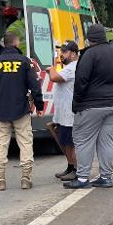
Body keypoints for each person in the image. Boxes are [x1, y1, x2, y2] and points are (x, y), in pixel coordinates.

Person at [63, 24, 113, 190]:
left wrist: (78, 103)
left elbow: (81, 82)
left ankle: (83, 178)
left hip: (91, 105)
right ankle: (106, 177)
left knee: (83, 140)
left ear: (89, 39)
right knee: (106, 141)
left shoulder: (89, 54)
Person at [0, 31, 44, 191]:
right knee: (25, 143)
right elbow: (34, 86)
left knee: (0, 145)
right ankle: (25, 179)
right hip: (21, 110)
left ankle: (0, 179)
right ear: (16, 44)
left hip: (0, 111)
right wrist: (40, 106)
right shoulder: (23, 61)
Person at [46, 40, 79, 182]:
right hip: (64, 114)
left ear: (73, 54)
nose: (61, 55)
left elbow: (54, 77)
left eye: (64, 52)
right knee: (65, 141)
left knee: (70, 144)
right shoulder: (70, 67)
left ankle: (76, 170)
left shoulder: (73, 67)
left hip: (69, 115)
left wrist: (50, 68)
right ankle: (70, 167)